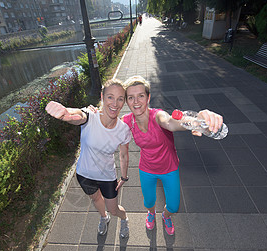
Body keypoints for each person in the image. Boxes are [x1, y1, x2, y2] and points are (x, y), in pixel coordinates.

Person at [122, 76, 224, 235]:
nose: (136, 101)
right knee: (148, 202)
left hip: (169, 168)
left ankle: (165, 216)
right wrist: (89, 113)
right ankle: (151, 214)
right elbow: (107, 122)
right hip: (146, 169)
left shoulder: (158, 116)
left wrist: (198, 120)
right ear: (127, 101)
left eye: (141, 95)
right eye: (131, 97)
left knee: (173, 206)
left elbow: (171, 122)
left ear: (148, 97)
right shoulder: (127, 121)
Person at [45, 79, 131, 238]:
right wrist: (65, 114)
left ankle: (124, 219)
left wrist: (124, 177)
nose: (115, 103)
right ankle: (103, 218)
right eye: (110, 97)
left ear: (124, 101)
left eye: (120, 98)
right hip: (85, 175)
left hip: (107, 177)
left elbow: (124, 155)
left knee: (114, 209)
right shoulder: (90, 115)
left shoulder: (123, 129)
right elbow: (77, 115)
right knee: (96, 199)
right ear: (102, 97)